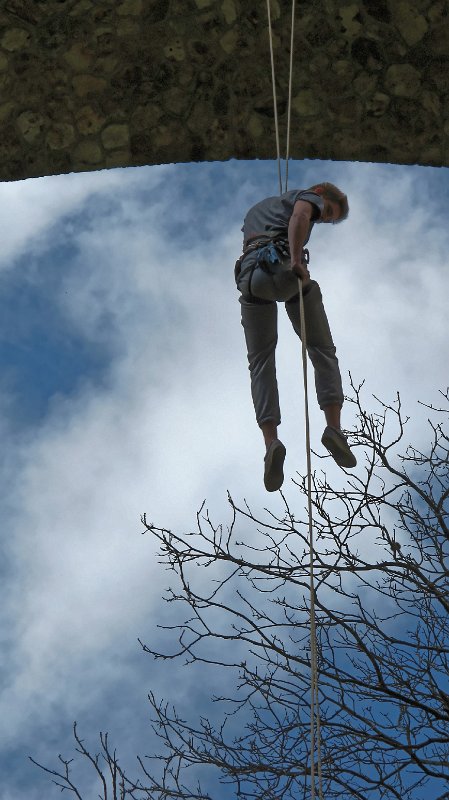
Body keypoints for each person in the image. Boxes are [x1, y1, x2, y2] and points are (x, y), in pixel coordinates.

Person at [234, 181, 357, 492]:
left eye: (326, 219)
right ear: (320, 193)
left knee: (260, 364)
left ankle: (270, 443)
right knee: (321, 349)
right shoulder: (308, 199)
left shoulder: (259, 210)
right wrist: (297, 261)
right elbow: (301, 216)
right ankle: (333, 428)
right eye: (327, 212)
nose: (321, 218)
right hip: (279, 269)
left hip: (250, 280)